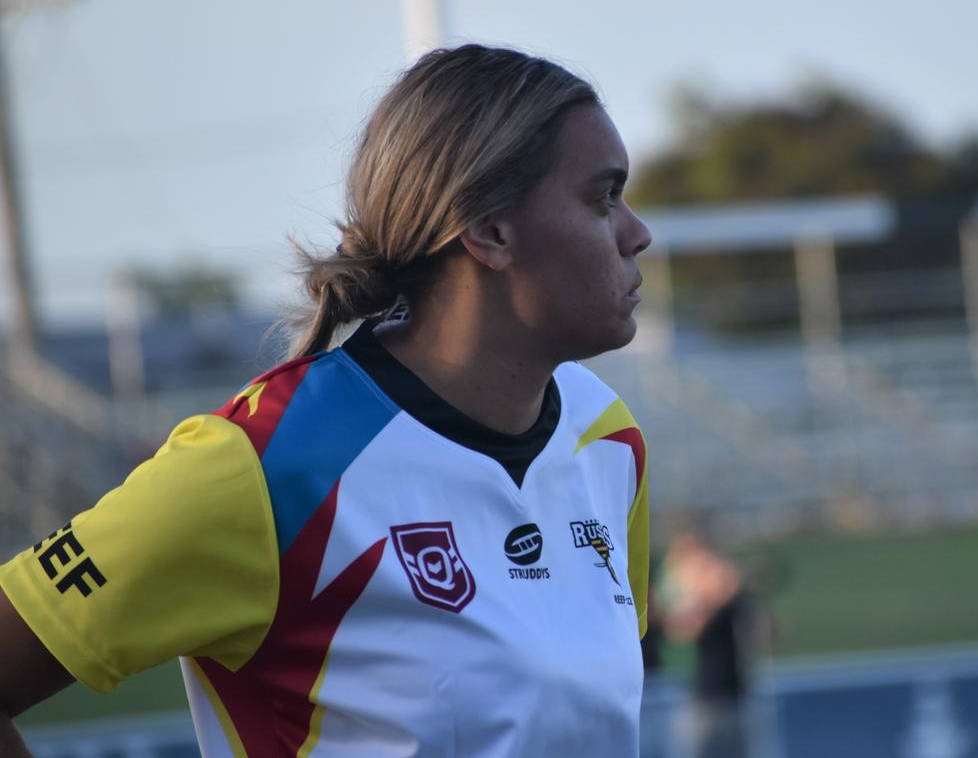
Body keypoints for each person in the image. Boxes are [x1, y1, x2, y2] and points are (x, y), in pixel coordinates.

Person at [0, 44, 653, 757]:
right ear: (490, 230)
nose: (636, 233)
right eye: (603, 197)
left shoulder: (608, 439)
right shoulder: (265, 463)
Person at [660, 529, 755, 758]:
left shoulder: (737, 605)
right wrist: (717, 596)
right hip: (707, 701)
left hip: (738, 698)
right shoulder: (701, 602)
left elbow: (769, 632)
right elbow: (682, 631)